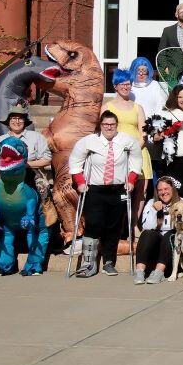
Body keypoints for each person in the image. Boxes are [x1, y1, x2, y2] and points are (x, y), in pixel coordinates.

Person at [67, 110, 143, 278]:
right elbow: (75, 162)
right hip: (95, 189)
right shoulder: (88, 142)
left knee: (114, 226)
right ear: (100, 125)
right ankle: (88, 263)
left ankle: (109, 262)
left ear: (117, 126)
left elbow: (136, 161)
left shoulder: (126, 141)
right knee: (94, 223)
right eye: (105, 124)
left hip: (118, 189)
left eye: (112, 124)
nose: (109, 127)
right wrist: (80, 182)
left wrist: (131, 179)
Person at [0, 104, 52, 202]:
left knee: (43, 186)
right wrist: (10, 167)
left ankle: (47, 211)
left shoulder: (36, 137)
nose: (17, 121)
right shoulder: (0, 140)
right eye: (13, 118)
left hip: (31, 170)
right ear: (8, 121)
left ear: (25, 121)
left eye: (20, 118)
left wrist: (24, 165)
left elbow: (47, 160)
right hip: (5, 172)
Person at [106, 69, 153, 182]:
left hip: (139, 151)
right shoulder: (107, 107)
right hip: (117, 155)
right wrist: (120, 152)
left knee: (140, 194)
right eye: (122, 84)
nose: (126, 87)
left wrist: (133, 150)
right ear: (115, 86)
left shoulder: (138, 107)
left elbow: (143, 134)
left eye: (128, 84)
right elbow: (105, 133)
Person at [134, 176, 182, 284]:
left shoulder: (182, 203)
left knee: (170, 234)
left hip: (174, 247)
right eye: (160, 190)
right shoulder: (151, 202)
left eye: (166, 189)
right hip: (156, 246)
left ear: (173, 189)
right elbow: (146, 227)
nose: (163, 192)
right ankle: (140, 271)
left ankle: (159, 273)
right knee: (147, 234)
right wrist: (154, 211)